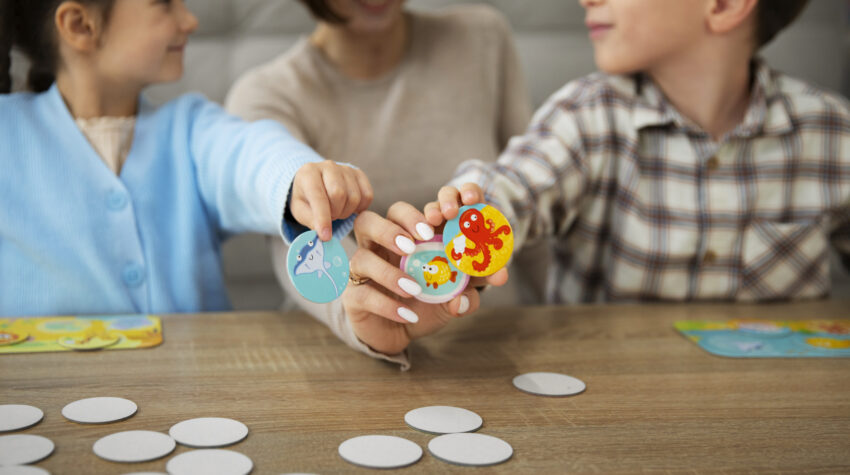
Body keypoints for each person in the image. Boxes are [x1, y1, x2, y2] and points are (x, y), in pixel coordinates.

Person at [426, 0, 850, 303]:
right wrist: (465, 210)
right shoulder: (587, 115)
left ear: (724, 5)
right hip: (611, 391)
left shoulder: (832, 132)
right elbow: (513, 186)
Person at [0, 0, 372, 316]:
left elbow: (249, 154)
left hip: (196, 376)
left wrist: (300, 178)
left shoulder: (192, 130)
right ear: (80, 25)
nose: (189, 20)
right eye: (164, 3)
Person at [226, 0, 530, 367]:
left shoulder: (482, 37)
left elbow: (531, 188)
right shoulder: (264, 96)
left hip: (498, 345)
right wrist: (359, 314)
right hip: (346, 363)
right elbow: (292, 241)